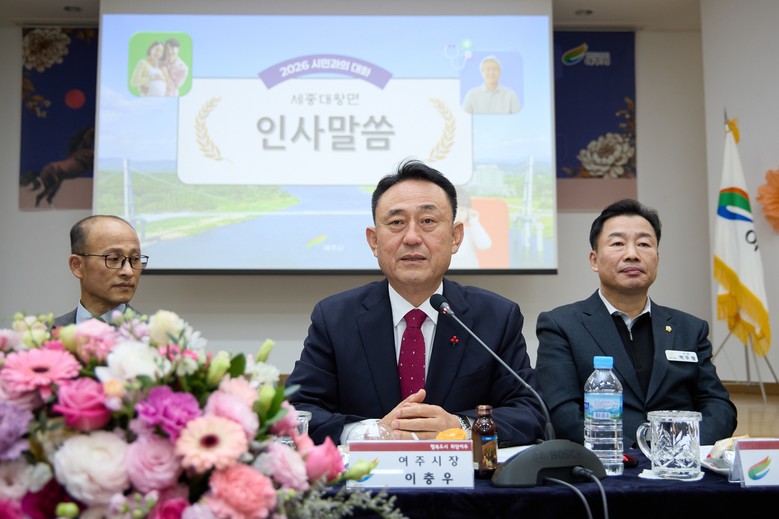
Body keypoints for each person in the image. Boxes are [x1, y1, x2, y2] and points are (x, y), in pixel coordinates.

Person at [285, 159, 546, 447]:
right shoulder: (335, 318)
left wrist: (459, 427)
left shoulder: (496, 317)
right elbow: (296, 412)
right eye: (396, 223)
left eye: (428, 222)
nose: (411, 237)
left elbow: (529, 412)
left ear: (456, 237)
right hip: (369, 474)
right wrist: (371, 432)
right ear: (374, 241)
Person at [535, 199, 737, 447]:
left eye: (644, 244)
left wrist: (680, 449)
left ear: (657, 258)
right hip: (608, 462)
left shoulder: (690, 329)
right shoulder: (561, 325)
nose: (632, 254)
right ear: (594, 260)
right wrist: (634, 453)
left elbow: (719, 406)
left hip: (681, 460)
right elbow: (561, 412)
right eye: (617, 244)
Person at [53, 215, 148, 327]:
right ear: (77, 266)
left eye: (135, 259)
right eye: (114, 259)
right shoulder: (46, 334)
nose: (128, 272)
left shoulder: (154, 334)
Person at [449, 188, 492, 269]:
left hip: (471, 273)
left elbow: (485, 245)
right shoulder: (441, 230)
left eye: (463, 210)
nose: (460, 213)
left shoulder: (470, 230)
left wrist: (474, 221)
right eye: (457, 209)